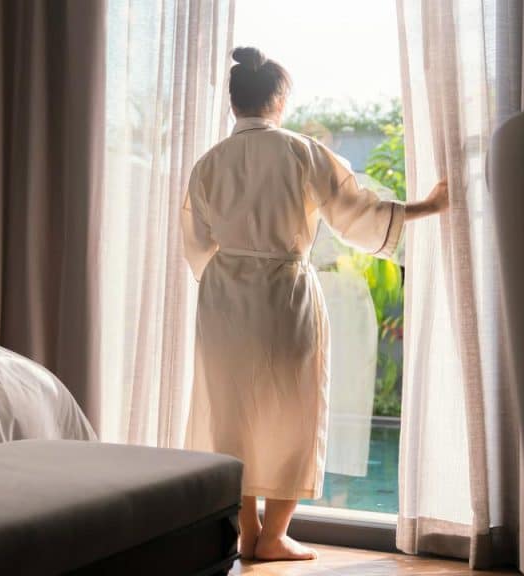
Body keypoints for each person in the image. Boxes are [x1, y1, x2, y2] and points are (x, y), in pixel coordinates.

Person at [182, 46, 448, 562]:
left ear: (234, 102)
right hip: (284, 292)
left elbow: (196, 241)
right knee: (293, 406)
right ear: (279, 99)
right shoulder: (301, 151)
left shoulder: (209, 162)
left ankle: (248, 528)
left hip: (223, 298)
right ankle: (275, 535)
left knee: (229, 411)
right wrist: (428, 206)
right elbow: (356, 213)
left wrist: (235, 261)